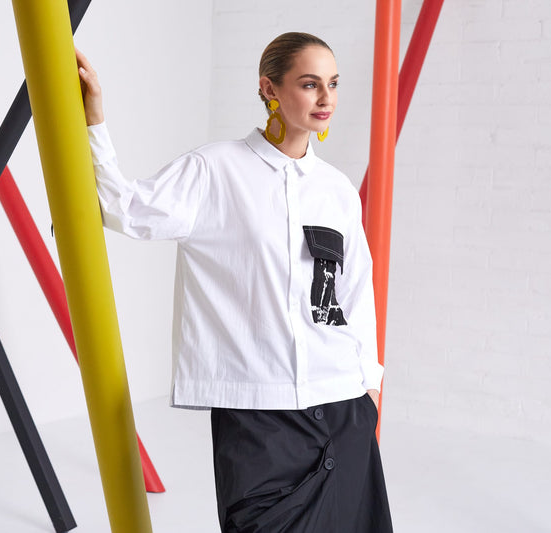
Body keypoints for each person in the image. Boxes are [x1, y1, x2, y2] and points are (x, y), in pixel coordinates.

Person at [76, 32, 393, 532]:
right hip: (256, 410)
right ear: (269, 88)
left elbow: (356, 294)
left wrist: (370, 386)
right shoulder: (214, 170)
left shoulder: (336, 191)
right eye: (310, 84)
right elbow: (125, 209)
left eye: (332, 83)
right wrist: (94, 118)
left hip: (342, 407)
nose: (326, 98)